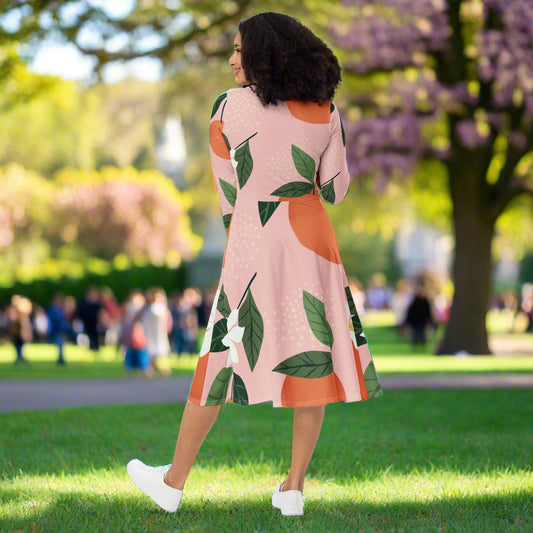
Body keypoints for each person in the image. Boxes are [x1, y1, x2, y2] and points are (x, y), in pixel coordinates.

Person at [127, 12, 383, 517]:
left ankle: (173, 482)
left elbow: (229, 196)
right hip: (311, 237)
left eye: (240, 50)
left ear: (265, 54)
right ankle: (292, 488)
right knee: (310, 355)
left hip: (253, 232)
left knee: (220, 352)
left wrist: (245, 231)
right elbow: (335, 189)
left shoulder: (227, 107)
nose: (231, 59)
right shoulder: (324, 108)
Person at [6, 295, 33, 364]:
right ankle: (20, 357)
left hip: (19, 331)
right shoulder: (16, 309)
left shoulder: (20, 309)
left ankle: (20, 357)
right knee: (18, 344)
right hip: (16, 331)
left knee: (20, 344)